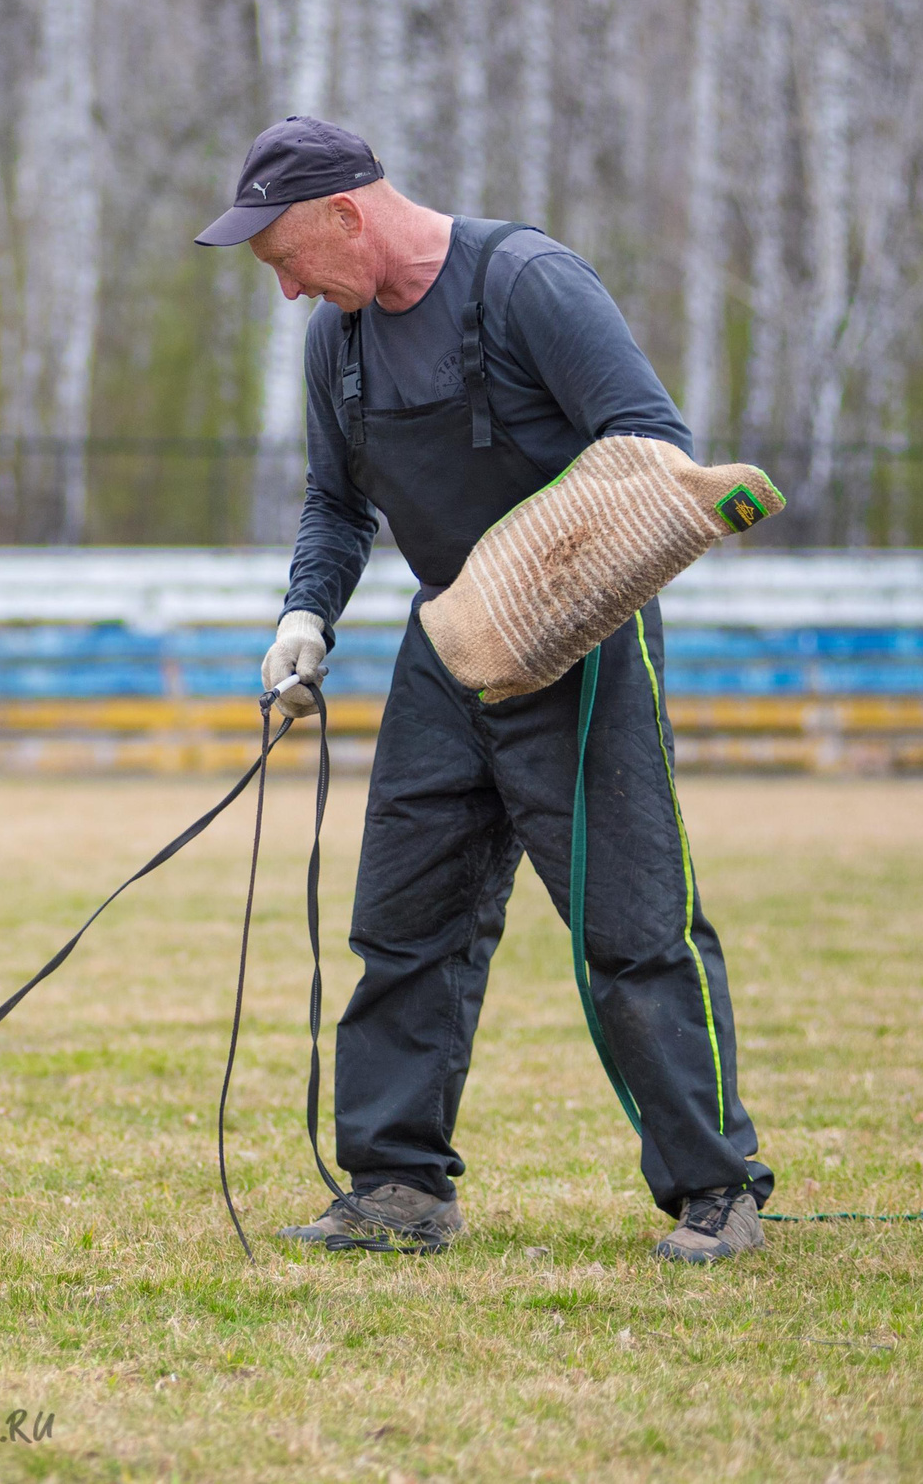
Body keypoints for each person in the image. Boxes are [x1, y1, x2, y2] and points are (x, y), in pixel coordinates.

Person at [195, 115, 773, 1264]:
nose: (288, 291)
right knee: (402, 924)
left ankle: (717, 1187)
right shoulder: (341, 343)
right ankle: (398, 1184)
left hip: (586, 646)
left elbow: (654, 449)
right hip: (443, 652)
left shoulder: (528, 285)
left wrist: (531, 597)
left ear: (344, 215)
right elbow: (333, 503)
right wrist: (303, 614)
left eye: (287, 261)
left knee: (634, 927)